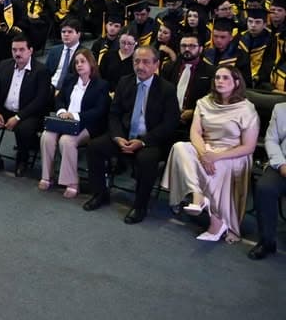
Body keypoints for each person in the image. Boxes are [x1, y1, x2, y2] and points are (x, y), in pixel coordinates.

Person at [83, 46, 180, 224]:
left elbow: (170, 124)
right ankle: (100, 194)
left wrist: (142, 142)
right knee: (94, 147)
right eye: (137, 61)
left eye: (146, 62)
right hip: (124, 136)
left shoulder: (167, 89)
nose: (140, 66)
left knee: (146, 160)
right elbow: (114, 114)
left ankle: (140, 206)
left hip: (150, 140)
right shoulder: (124, 82)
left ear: (156, 64)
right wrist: (117, 137)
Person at [162, 66, 259, 242]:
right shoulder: (204, 102)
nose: (220, 81)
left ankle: (217, 223)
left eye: (225, 78)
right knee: (179, 147)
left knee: (217, 166)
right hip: (206, 148)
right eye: (217, 77)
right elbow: (195, 133)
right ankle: (198, 195)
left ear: (237, 82)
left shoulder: (246, 109)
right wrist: (204, 154)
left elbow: (249, 147)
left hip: (232, 153)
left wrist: (216, 157)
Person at [0, 34, 52, 177]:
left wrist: (18, 117)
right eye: (14, 50)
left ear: (30, 50)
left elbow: (40, 100)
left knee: (23, 129)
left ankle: (22, 161)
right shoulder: (4, 65)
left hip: (29, 113)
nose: (17, 53)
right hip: (5, 110)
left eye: (21, 50)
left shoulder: (41, 71)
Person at [39, 49, 110, 199]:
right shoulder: (70, 79)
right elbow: (59, 99)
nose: (79, 65)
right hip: (65, 120)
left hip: (86, 124)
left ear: (91, 63)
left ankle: (72, 182)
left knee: (66, 141)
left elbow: (99, 110)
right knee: (47, 136)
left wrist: (75, 116)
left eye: (83, 61)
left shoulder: (101, 85)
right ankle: (47, 176)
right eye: (77, 62)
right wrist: (62, 112)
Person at [249, 101, 286, 259]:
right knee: (265, 188)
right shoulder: (280, 109)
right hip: (282, 164)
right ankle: (266, 242)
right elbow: (271, 140)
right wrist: (281, 165)